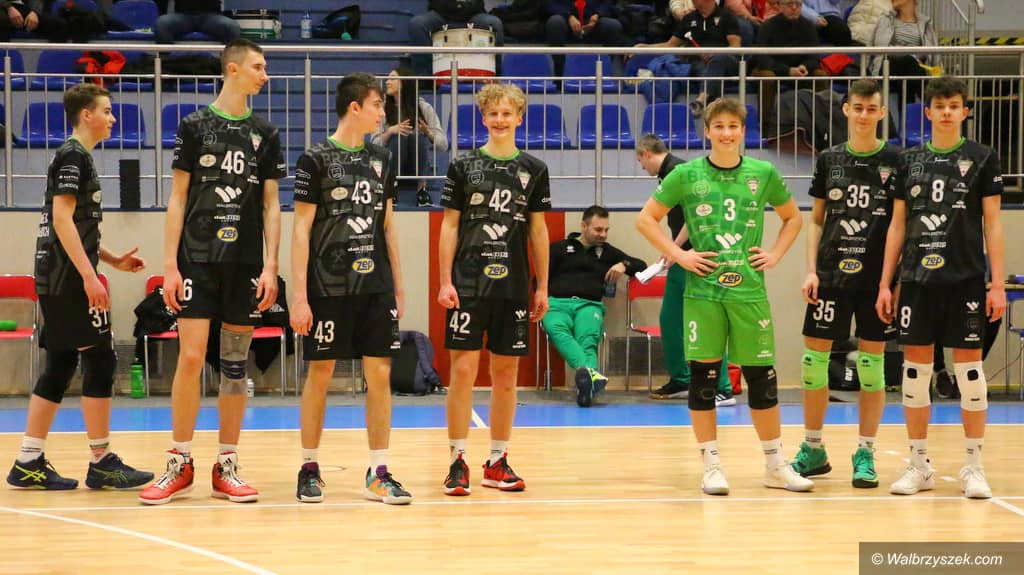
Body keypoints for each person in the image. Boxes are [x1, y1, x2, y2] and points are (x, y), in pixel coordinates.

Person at [636, 98, 811, 495]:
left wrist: (775, 254)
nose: (726, 133)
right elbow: (646, 220)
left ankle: (775, 466)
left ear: (742, 131)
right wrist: (680, 255)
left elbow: (793, 217)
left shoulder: (763, 173)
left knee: (762, 380)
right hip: (703, 293)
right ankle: (712, 466)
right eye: (719, 126)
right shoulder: (686, 174)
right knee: (704, 379)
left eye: (733, 126)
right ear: (708, 131)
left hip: (749, 291)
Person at [139, 39, 287, 505]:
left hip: (245, 263)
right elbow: (177, 198)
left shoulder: (265, 132)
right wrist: (169, 265)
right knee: (190, 357)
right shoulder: (194, 126)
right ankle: (179, 462)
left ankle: (227, 464)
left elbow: (271, 204)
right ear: (233, 69)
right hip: (197, 259)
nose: (265, 75)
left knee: (235, 364)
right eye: (258, 67)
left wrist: (271, 264)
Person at [5, 84, 153, 491]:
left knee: (60, 364)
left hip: (56, 274)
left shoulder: (76, 156)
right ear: (87, 115)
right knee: (101, 361)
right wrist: (90, 276)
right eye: (106, 111)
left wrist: (111, 259)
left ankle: (28, 461)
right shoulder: (73, 156)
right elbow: (61, 219)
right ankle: (101, 461)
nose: (113, 118)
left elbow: (71, 226)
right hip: (67, 279)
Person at [875, 75, 1006, 499]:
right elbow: (897, 225)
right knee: (915, 374)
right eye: (940, 106)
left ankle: (974, 466)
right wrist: (885, 283)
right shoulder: (907, 160)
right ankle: (919, 465)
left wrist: (997, 284)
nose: (947, 112)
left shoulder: (983, 158)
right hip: (916, 281)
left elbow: (993, 225)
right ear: (928, 112)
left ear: (964, 111)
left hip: (965, 280)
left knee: (969, 371)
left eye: (954, 106)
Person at [289, 73, 411, 505]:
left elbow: (388, 225)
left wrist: (399, 284)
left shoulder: (382, 158)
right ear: (355, 107)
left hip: (375, 284)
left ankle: (379, 472)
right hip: (328, 284)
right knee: (321, 372)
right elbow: (300, 229)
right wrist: (299, 296)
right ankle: (309, 468)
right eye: (378, 105)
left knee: (380, 373)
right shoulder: (315, 158)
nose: (383, 112)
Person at [437, 83, 550, 496]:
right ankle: (457, 460)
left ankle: (497, 460)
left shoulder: (534, 169)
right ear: (483, 118)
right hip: (468, 283)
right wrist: (445, 280)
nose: (500, 120)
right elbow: (449, 225)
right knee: (463, 371)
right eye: (493, 113)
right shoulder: (463, 166)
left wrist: (543, 286)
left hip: (514, 285)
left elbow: (538, 230)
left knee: (506, 374)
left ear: (519, 117)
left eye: (507, 113)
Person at [790, 79, 899, 488]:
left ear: (881, 113)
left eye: (872, 109)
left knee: (871, 370)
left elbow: (900, 226)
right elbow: (816, 221)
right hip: (831, 276)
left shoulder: (896, 160)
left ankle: (865, 452)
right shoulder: (829, 158)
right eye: (858, 108)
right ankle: (813, 449)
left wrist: (891, 281)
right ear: (846, 110)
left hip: (875, 282)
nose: (864, 115)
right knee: (813, 365)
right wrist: (811, 270)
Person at [635, 134, 734, 406]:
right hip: (683, 259)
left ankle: (722, 387)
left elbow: (696, 216)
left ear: (646, 153)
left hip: (697, 258)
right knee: (671, 321)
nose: (642, 167)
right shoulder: (670, 174)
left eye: (641, 161)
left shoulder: (680, 172)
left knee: (706, 322)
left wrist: (673, 249)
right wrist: (673, 252)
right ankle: (682, 379)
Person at [543, 205, 645, 407]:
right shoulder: (558, 248)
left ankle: (585, 384)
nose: (603, 234)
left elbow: (641, 266)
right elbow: (539, 278)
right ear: (583, 226)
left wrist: (623, 264)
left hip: (589, 305)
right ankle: (590, 376)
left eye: (606, 230)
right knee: (555, 328)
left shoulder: (607, 252)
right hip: (557, 304)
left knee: (588, 339)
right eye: (598, 230)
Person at [633, 0, 741, 115]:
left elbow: (735, 46)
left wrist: (714, 53)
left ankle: (700, 101)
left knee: (718, 60)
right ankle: (712, 105)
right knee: (698, 68)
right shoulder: (689, 18)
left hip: (726, 61)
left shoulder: (727, 16)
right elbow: (670, 45)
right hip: (698, 63)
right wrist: (644, 47)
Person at [370, 66, 448, 208]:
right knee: (398, 137)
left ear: (404, 82)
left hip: (416, 164)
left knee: (415, 137)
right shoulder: (382, 109)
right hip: (392, 163)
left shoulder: (423, 107)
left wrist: (428, 133)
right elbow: (374, 143)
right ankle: (391, 189)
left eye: (393, 78)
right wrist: (390, 131)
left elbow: (443, 145)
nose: (387, 82)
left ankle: (422, 190)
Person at [408, 0, 505, 75]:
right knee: (417, 24)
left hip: (472, 14)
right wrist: (457, 6)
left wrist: (460, 6)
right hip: (442, 14)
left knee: (495, 23)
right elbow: (436, 3)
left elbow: (477, 3)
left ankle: (495, 77)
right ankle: (424, 78)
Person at [869, 0, 937, 104]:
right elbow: (880, 48)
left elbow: (932, 52)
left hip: (913, 69)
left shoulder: (925, 22)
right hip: (887, 66)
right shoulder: (886, 19)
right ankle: (932, 100)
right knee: (909, 62)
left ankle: (905, 113)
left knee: (907, 78)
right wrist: (912, 56)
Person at [154, 0, 241, 44]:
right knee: (161, 24)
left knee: (232, 27)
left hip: (211, 16)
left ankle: (228, 67)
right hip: (183, 15)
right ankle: (167, 64)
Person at [0, 0, 69, 42]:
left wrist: (34, 11)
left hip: (21, 6)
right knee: (3, 21)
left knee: (58, 24)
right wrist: (8, 7)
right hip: (3, 6)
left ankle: (55, 59)